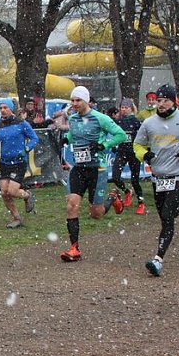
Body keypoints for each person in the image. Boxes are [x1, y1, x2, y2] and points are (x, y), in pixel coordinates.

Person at [133, 83, 179, 276]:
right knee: (166, 216)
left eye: (165, 100)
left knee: (167, 217)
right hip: (158, 176)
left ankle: (158, 259)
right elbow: (138, 145)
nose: (161, 104)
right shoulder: (149, 123)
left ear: (173, 101)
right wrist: (144, 155)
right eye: (159, 100)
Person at [59, 86, 128, 262]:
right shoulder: (73, 119)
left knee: (96, 213)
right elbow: (75, 135)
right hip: (79, 168)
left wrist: (103, 145)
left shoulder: (101, 118)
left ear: (87, 101)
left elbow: (121, 135)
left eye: (78, 100)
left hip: (97, 169)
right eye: (72, 100)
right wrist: (67, 139)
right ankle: (74, 248)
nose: (75, 104)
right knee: (71, 205)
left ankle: (113, 197)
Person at [0, 100, 39, 228]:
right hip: (4, 163)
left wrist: (26, 149)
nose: (3, 110)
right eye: (0, 108)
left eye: (5, 107)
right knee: (4, 192)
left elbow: (34, 138)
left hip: (18, 162)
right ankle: (16, 218)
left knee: (12, 191)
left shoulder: (22, 123)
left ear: (11, 109)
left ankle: (27, 195)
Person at [109, 98, 146, 215]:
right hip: (121, 152)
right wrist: (114, 144)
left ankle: (141, 203)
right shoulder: (118, 122)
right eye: (122, 107)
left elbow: (141, 138)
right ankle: (127, 191)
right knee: (115, 177)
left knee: (135, 180)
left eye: (126, 107)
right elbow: (116, 135)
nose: (123, 110)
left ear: (131, 108)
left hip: (134, 153)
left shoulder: (136, 122)